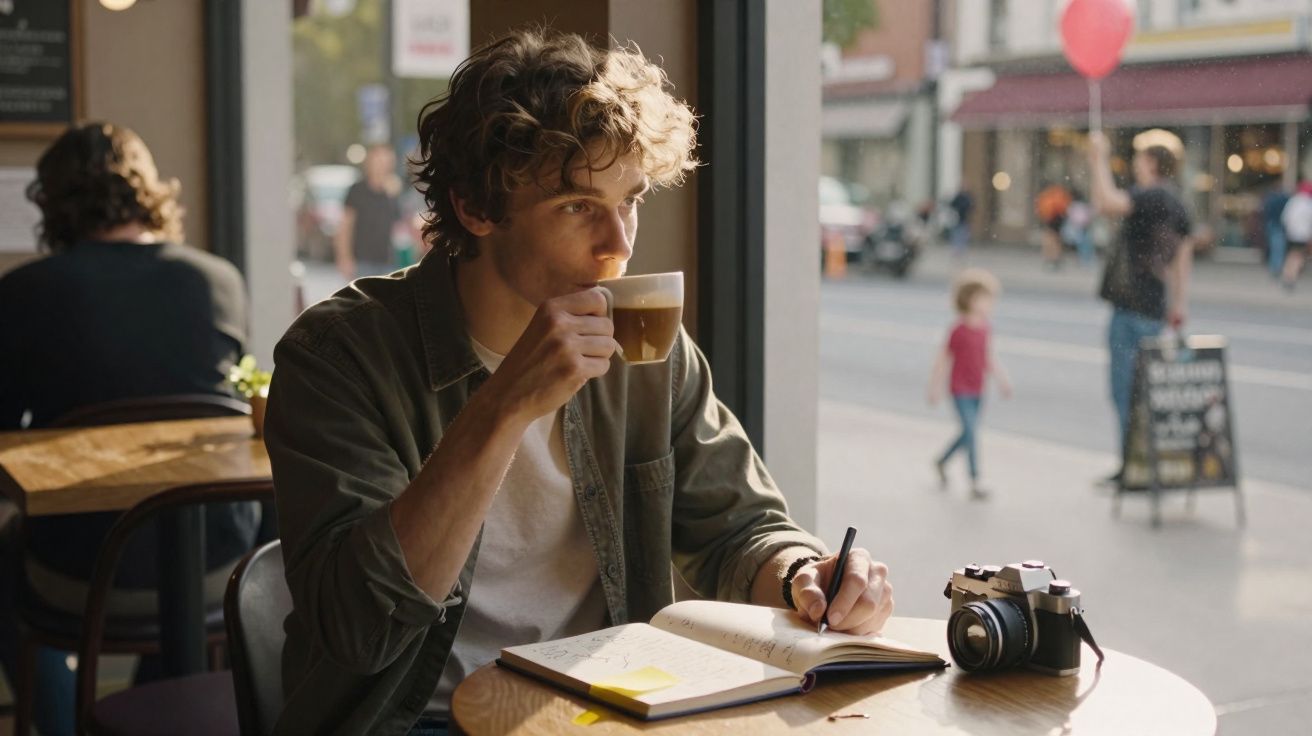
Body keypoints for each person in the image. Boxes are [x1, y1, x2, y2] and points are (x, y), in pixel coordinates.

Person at [264, 29, 894, 736]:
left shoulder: (645, 343)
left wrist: (804, 573)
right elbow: (358, 626)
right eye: (575, 207)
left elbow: (739, 524)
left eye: (631, 199)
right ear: (475, 208)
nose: (619, 244)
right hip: (414, 720)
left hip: (603, 710)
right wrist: (501, 407)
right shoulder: (338, 356)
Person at [0, 122, 260, 735]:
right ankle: (145, 715)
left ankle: (69, 726)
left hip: (80, 568)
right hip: (219, 563)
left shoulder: (24, 292)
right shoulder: (217, 280)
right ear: (149, 191)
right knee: (174, 537)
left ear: (53, 202)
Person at [1087, 131, 1193, 485]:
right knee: (1147, 393)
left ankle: (1132, 468)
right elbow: (1183, 256)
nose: (1135, 165)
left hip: (1131, 307)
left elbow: (1106, 203)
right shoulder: (1176, 201)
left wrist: (1097, 159)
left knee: (1125, 393)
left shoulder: (1151, 196)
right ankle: (1146, 464)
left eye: (1138, 159)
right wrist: (1179, 302)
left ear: (1151, 162)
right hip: (1153, 307)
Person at [928, 269, 1012, 499]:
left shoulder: (985, 328)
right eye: (985, 299)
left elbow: (988, 357)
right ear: (971, 300)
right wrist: (934, 387)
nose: (990, 304)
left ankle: (942, 461)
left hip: (978, 389)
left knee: (968, 432)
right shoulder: (959, 330)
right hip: (960, 389)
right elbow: (943, 359)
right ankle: (975, 480)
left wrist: (1002, 380)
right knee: (972, 432)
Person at [335, 143, 404, 280]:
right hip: (362, 262)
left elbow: (399, 227)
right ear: (369, 162)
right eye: (378, 161)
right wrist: (344, 257)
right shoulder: (357, 190)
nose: (382, 166)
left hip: (388, 262)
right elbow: (345, 226)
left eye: (387, 162)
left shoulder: (392, 192)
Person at [1279, 181, 1312, 291]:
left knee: (1291, 255)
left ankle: (1287, 274)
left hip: (1291, 233)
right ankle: (1291, 276)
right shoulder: (1308, 203)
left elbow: (1285, 217)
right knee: (1298, 256)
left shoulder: (1293, 201)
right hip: (1302, 234)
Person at [1035, 182, 1072, 270]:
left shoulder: (1047, 196)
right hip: (1058, 219)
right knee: (1056, 239)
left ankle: (1051, 257)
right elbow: (1066, 208)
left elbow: (1042, 209)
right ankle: (1056, 258)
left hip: (1052, 220)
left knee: (1051, 239)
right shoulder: (1060, 195)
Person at [1262, 183, 1291, 280]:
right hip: (1279, 225)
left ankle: (1274, 266)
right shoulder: (1284, 199)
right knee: (1278, 247)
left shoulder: (1270, 199)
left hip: (1271, 224)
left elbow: (1266, 211)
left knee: (1274, 246)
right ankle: (1276, 267)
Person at [948, 188, 973, 259]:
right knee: (958, 234)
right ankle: (957, 249)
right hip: (958, 219)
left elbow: (970, 206)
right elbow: (952, 204)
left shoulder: (967, 197)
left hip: (963, 219)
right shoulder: (960, 197)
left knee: (962, 234)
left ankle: (960, 249)